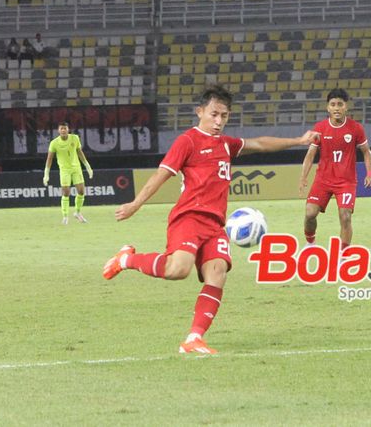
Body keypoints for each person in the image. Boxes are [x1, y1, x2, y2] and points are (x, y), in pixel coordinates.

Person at [102, 85, 318, 355]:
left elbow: (260, 144)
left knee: (217, 274)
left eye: (224, 116)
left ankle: (194, 338)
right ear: (200, 111)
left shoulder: (226, 145)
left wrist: (298, 141)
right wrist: (136, 204)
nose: (218, 121)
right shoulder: (187, 141)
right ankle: (125, 259)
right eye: (214, 114)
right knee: (177, 270)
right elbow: (162, 174)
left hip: (216, 225)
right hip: (189, 218)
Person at [299, 88, 371, 253]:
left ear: (346, 107)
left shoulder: (356, 128)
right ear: (328, 108)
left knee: (345, 216)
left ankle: (344, 254)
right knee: (310, 213)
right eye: (333, 104)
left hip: (346, 182)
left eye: (340, 104)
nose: (336, 108)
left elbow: (366, 152)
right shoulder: (320, 128)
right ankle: (310, 244)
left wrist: (370, 173)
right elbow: (310, 154)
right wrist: (304, 177)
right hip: (323, 180)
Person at [43, 121, 94, 225]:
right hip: (64, 170)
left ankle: (78, 213)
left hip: (76, 168)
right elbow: (49, 159)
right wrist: (46, 174)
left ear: (68, 129)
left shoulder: (75, 138)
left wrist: (88, 167)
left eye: (65, 128)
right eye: (61, 128)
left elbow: (80, 153)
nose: (63, 130)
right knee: (66, 192)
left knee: (81, 191)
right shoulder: (54, 143)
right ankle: (65, 216)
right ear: (58, 130)